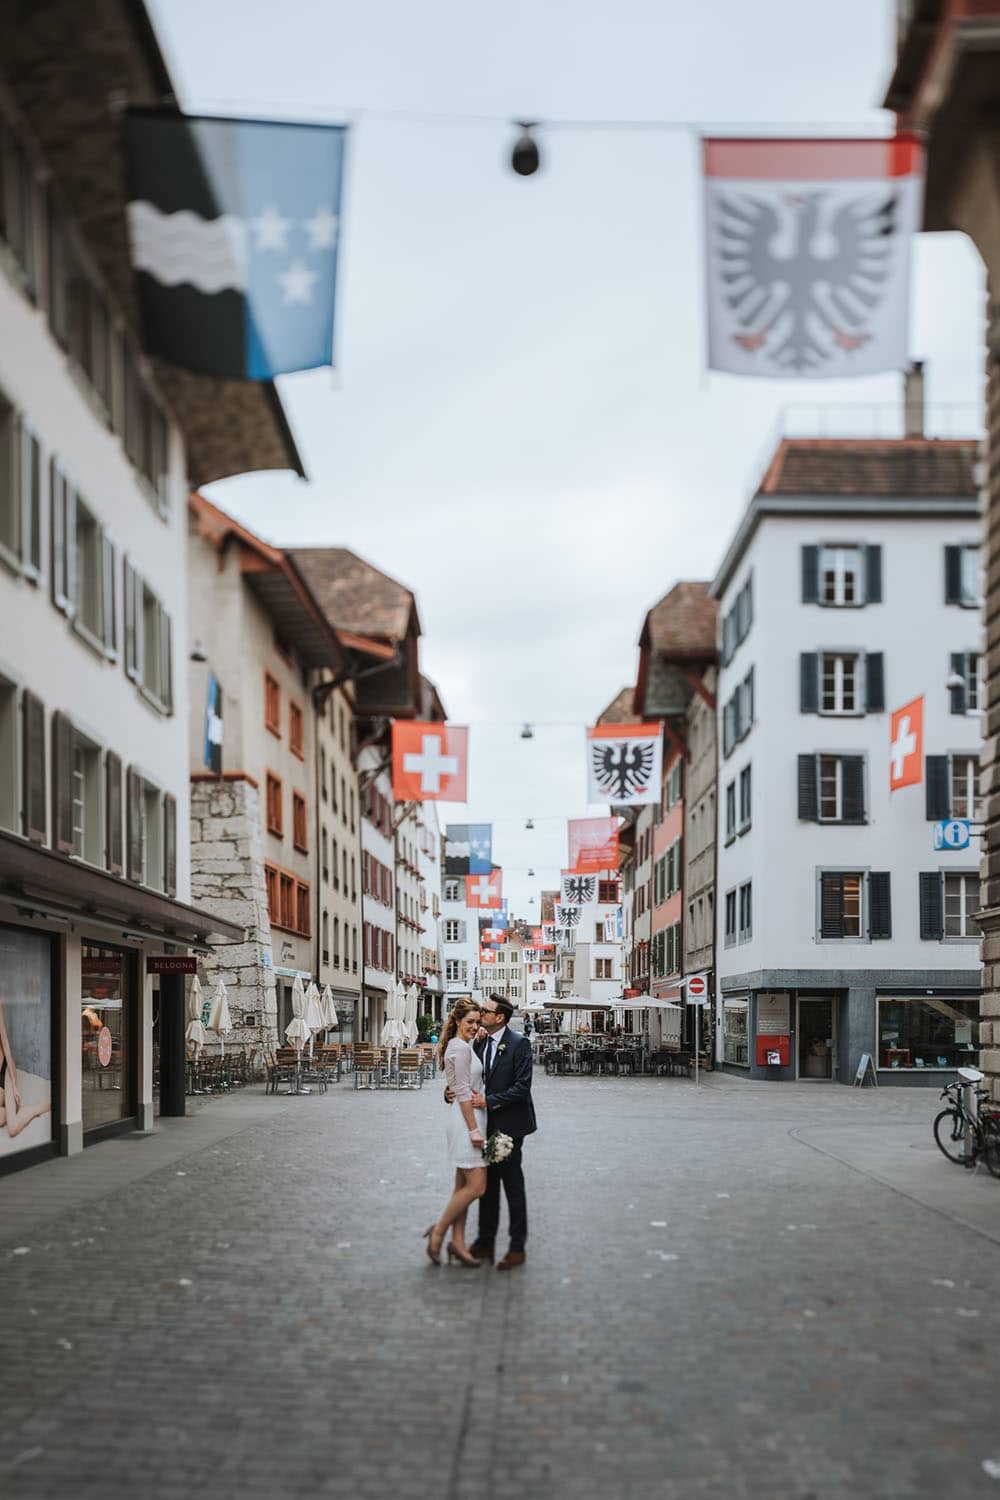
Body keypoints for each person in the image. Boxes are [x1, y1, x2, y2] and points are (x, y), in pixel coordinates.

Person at [470, 995, 537, 1271]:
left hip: (509, 1127)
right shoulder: (482, 1041)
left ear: (500, 1017)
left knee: (512, 1187)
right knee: (487, 1187)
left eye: (485, 1011)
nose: (480, 1013)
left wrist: (490, 1100)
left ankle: (517, 1247)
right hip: (485, 1125)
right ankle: (485, 1241)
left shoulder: (519, 1044)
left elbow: (523, 1087)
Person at [423, 999, 487, 1267]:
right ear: (458, 1021)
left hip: (469, 1118)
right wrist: (473, 1129)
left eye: (477, 1021)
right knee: (477, 1187)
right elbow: (461, 1091)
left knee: (462, 1186)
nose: (474, 1026)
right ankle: (438, 1231)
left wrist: (478, 1037)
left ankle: (458, 1242)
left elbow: (458, 1084)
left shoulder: (463, 1045)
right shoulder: (459, 1048)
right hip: (465, 1123)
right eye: (469, 1022)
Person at [0, 1001, 51, 1141]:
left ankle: (33, 1109)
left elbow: (5, 1045)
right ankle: (12, 1112)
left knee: (13, 1128)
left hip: (4, 1070)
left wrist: (14, 1085)